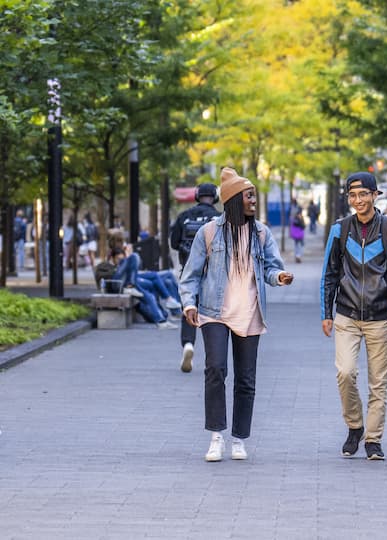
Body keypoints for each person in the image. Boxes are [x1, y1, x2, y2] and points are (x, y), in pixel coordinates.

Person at [179, 167, 294, 462]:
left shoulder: (260, 233)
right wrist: (189, 304)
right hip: (213, 312)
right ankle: (216, 436)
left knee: (246, 379)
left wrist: (279, 276)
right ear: (232, 200)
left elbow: (271, 266)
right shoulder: (209, 233)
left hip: (250, 313)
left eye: (253, 195)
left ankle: (239, 439)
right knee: (215, 369)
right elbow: (190, 274)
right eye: (249, 195)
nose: (253, 200)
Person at [320, 171, 387, 461]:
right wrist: (326, 312)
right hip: (346, 315)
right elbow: (329, 274)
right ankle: (354, 426)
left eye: (363, 194)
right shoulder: (340, 229)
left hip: (381, 317)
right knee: (345, 373)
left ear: (375, 195)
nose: (358, 200)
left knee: (378, 383)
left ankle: (373, 440)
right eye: (353, 195)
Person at [170, 183, 221, 373]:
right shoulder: (219, 218)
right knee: (213, 315)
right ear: (215, 197)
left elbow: (174, 243)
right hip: (214, 275)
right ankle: (214, 355)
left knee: (189, 309)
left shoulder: (184, 216)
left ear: (197, 195)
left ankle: (188, 344)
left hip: (189, 273)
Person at [105, 247, 178, 329]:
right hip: (118, 284)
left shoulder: (126, 268)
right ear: (112, 258)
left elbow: (133, 270)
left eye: (122, 260)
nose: (120, 262)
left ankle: (161, 321)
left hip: (130, 282)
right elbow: (105, 278)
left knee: (151, 295)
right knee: (134, 256)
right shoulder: (106, 266)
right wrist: (119, 266)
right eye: (118, 259)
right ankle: (169, 300)